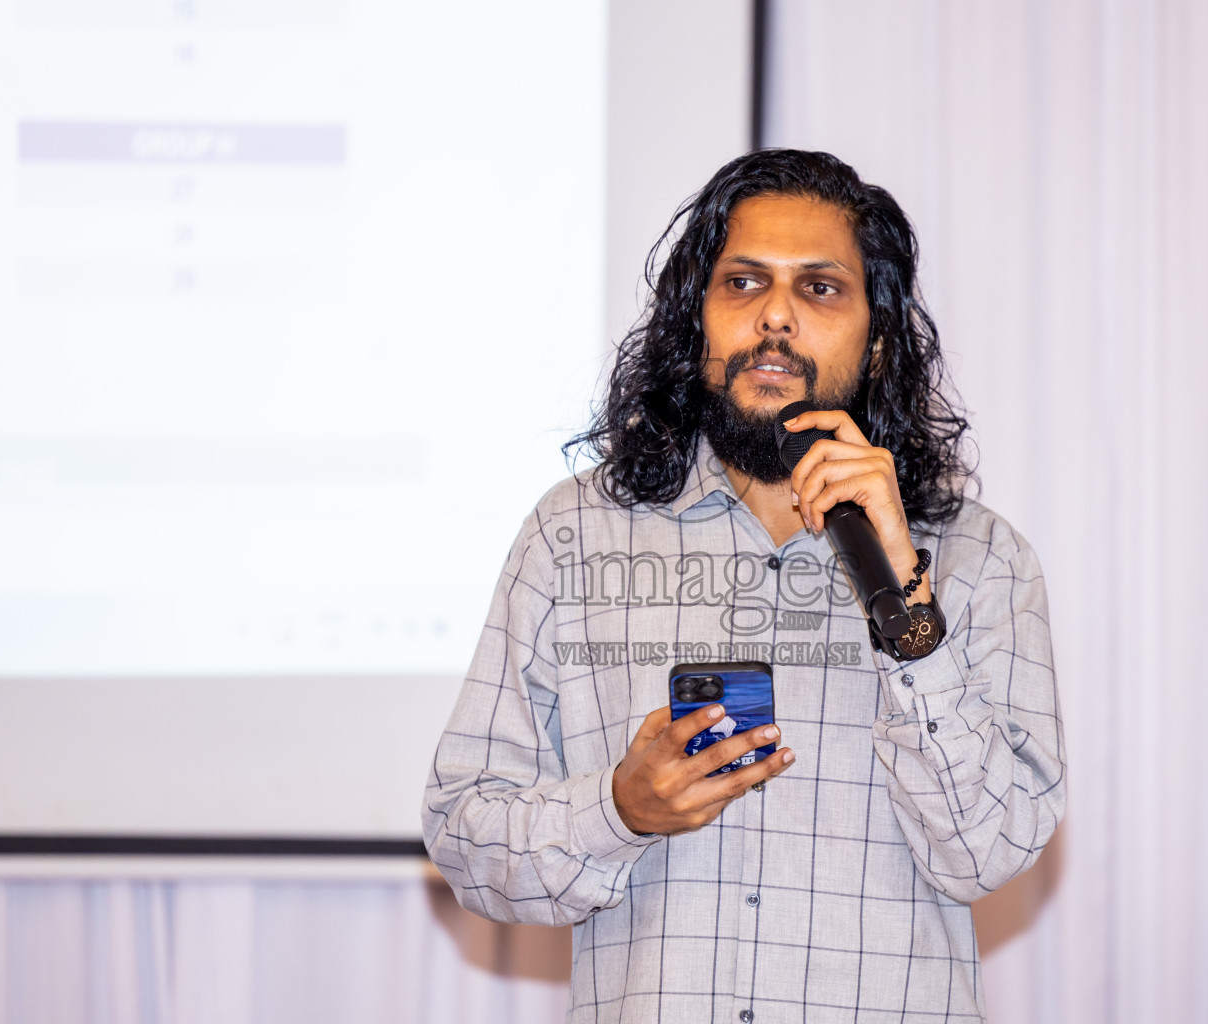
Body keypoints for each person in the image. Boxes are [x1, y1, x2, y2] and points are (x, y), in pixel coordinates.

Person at [422, 149, 1066, 1023]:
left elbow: (987, 850)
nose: (775, 317)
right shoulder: (574, 535)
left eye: (821, 289)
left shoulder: (978, 560)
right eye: (744, 283)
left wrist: (906, 600)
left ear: (878, 342)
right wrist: (619, 809)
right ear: (700, 323)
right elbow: (465, 835)